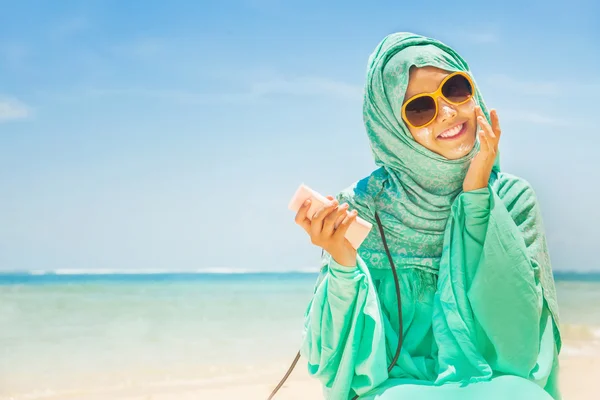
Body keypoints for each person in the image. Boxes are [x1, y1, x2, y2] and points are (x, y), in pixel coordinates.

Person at [293, 32, 562, 400]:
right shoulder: (363, 206)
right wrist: (342, 265)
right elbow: (331, 360)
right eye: (420, 108)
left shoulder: (513, 199)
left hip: (491, 383)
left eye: (455, 89)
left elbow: (519, 342)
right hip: (390, 386)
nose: (448, 112)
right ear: (392, 129)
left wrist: (477, 198)